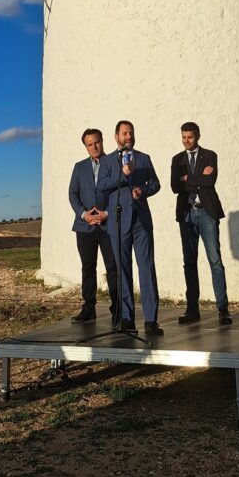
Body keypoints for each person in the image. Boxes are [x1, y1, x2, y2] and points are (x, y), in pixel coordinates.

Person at [97, 120, 162, 335]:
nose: (129, 137)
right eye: (125, 133)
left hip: (141, 222)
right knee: (122, 271)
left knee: (146, 268)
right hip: (118, 221)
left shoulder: (143, 158)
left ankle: (151, 320)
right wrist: (124, 175)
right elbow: (102, 186)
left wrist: (143, 191)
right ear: (116, 136)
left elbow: (155, 183)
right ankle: (127, 318)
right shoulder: (106, 162)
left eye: (131, 133)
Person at [171, 121, 232, 325]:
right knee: (189, 262)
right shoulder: (177, 159)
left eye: (190, 137)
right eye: (183, 137)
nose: (186, 141)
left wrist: (189, 178)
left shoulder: (210, 156)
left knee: (215, 260)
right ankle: (192, 309)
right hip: (187, 214)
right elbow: (174, 186)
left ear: (198, 136)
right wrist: (198, 178)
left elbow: (210, 181)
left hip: (207, 213)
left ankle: (223, 309)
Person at [68, 128, 118, 324]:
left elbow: (118, 192)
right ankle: (89, 308)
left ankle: (118, 310)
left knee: (113, 268)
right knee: (88, 267)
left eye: (96, 142)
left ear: (102, 141)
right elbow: (72, 193)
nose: (94, 147)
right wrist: (84, 214)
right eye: (90, 144)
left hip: (109, 225)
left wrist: (107, 214)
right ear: (85, 146)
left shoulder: (113, 163)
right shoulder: (79, 167)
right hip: (85, 227)